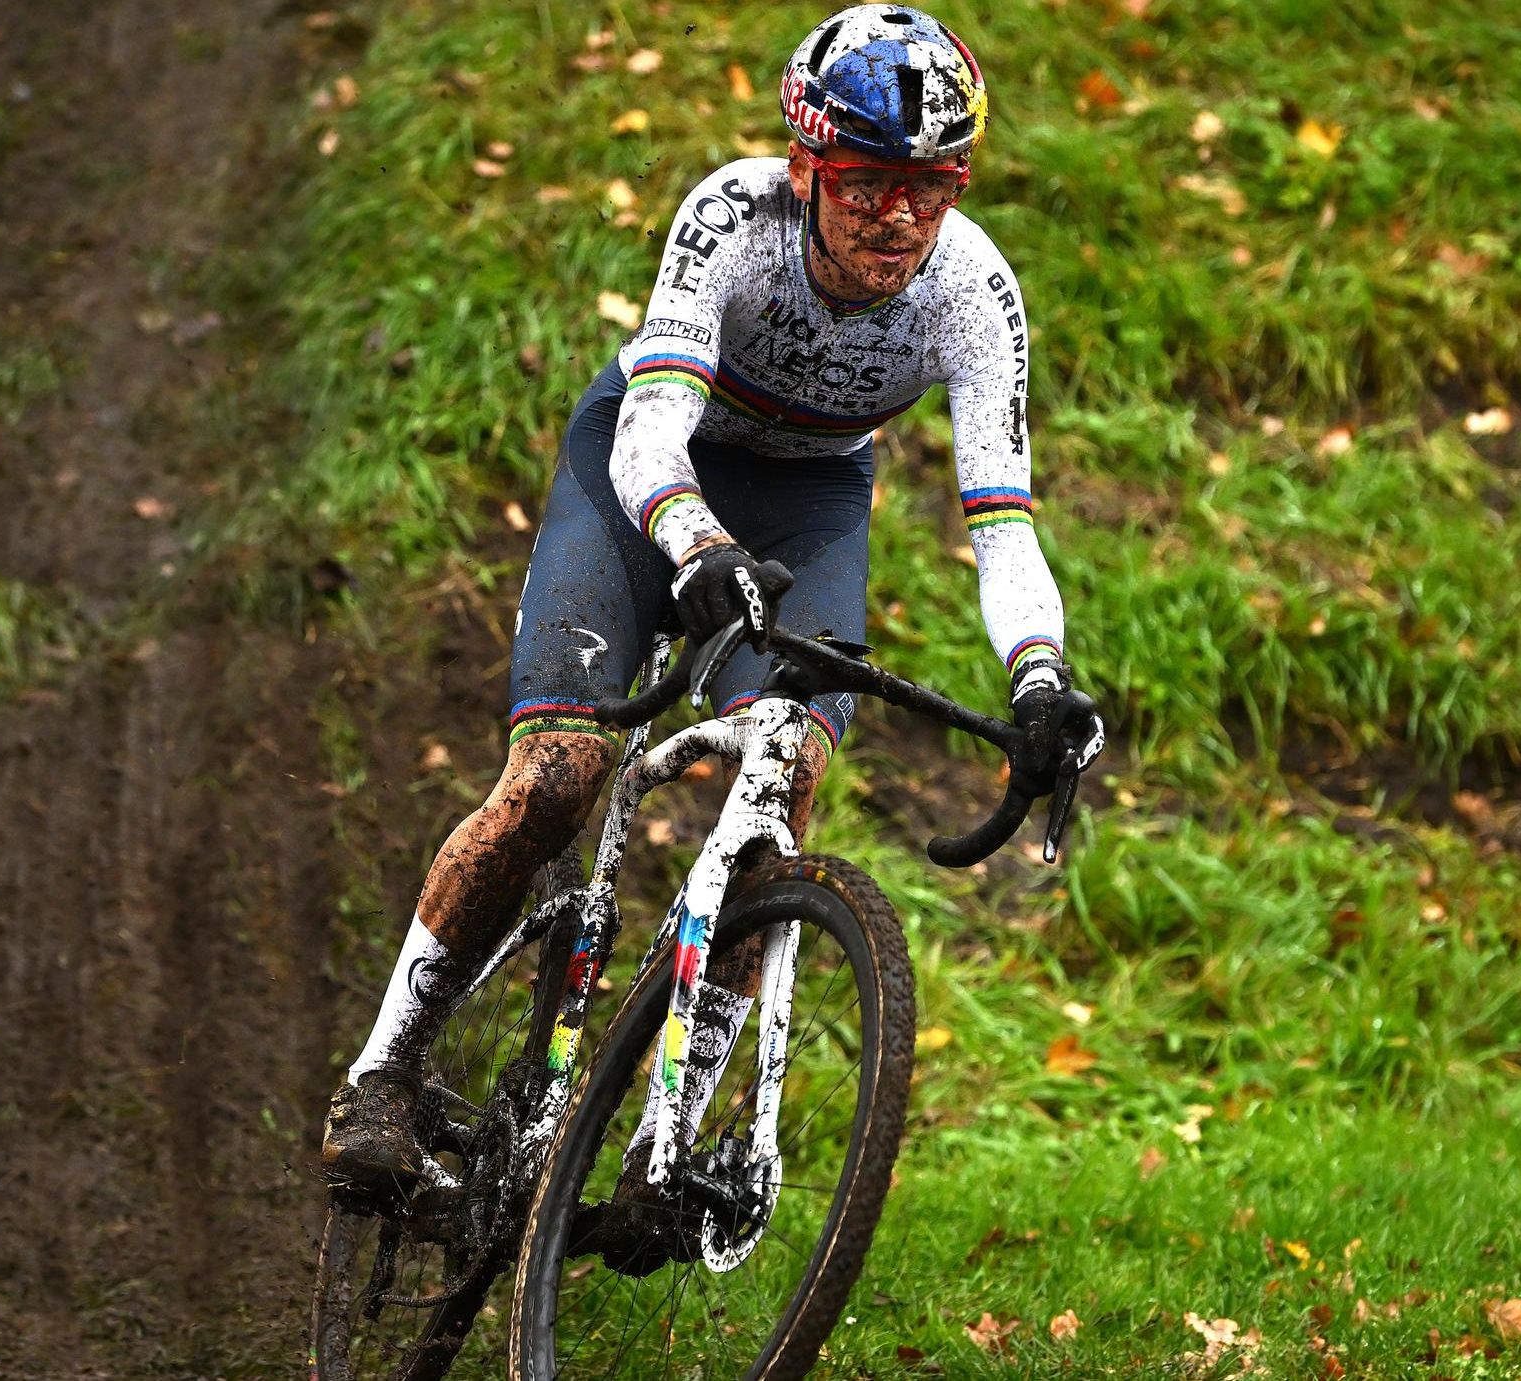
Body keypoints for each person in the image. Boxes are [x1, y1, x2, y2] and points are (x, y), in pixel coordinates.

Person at [320, 4, 1106, 1211]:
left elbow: (1002, 524)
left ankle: (664, 1148)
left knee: (779, 787)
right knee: (558, 775)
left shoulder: (973, 291)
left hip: (810, 505)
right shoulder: (734, 216)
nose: (898, 216)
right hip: (642, 473)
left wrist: (1041, 680)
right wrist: (691, 542)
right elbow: (649, 423)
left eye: (932, 185)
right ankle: (382, 1073)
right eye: (864, 183)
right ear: (806, 166)